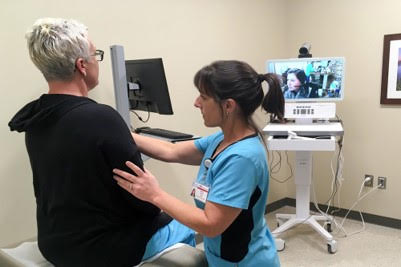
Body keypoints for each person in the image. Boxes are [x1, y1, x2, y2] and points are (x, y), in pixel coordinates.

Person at [8, 18, 194, 267]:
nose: (98, 61)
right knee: (185, 226)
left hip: (54, 243)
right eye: (96, 55)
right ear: (82, 65)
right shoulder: (101, 117)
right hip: (100, 251)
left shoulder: (36, 118)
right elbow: (143, 201)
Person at [113, 60, 284, 266]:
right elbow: (171, 150)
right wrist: (117, 132)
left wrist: (154, 194)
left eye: (203, 97)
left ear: (228, 105)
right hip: (222, 255)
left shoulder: (242, 159)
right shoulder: (221, 140)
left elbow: (210, 224)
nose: (196, 103)